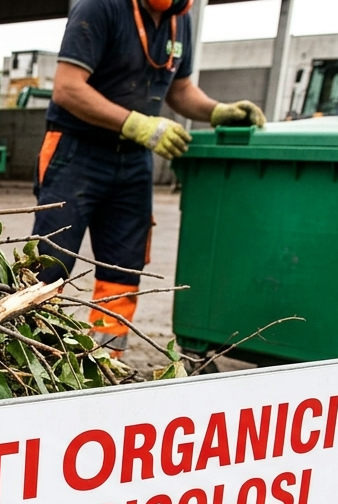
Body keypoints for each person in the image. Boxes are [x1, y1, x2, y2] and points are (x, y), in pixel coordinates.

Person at [33, 0, 266, 355]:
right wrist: (136, 123)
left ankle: (104, 360)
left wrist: (218, 111)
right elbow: (67, 88)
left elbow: (180, 89)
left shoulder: (179, 20)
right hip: (76, 151)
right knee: (52, 262)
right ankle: (34, 353)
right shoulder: (100, 7)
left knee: (123, 268)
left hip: (134, 158)